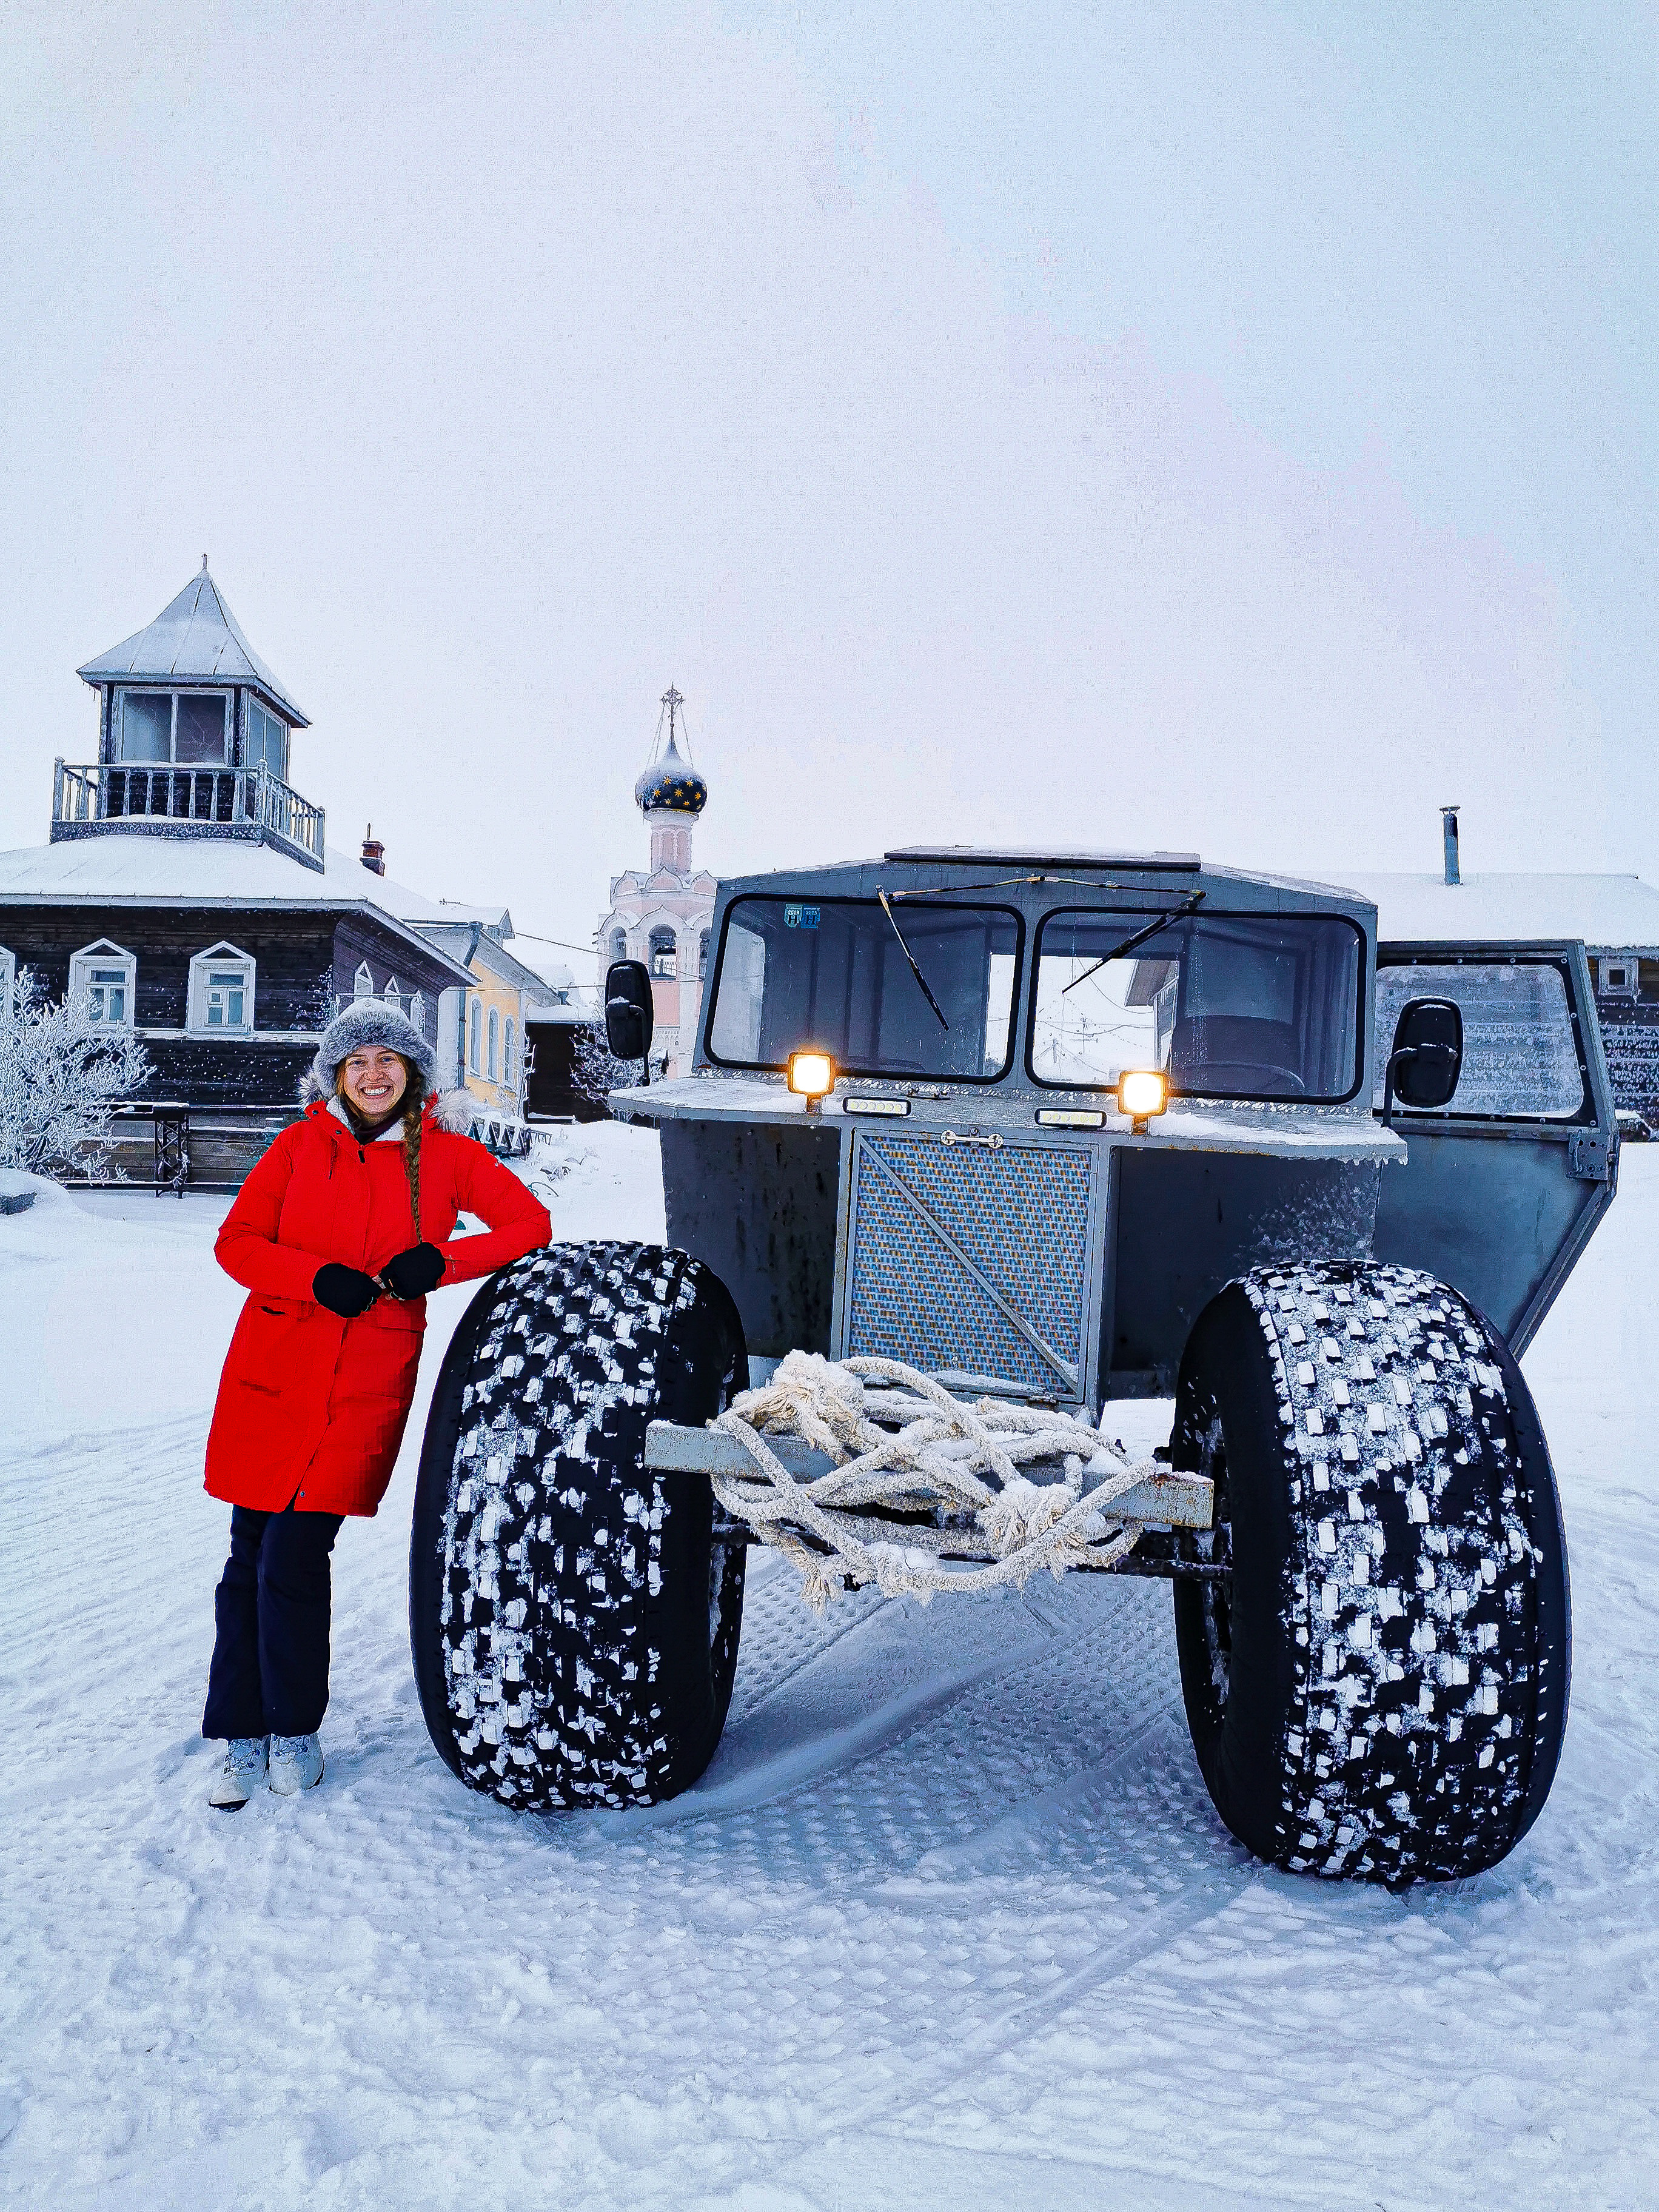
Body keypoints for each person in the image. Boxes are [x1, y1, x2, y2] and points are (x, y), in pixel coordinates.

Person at [199, 1001, 552, 1808]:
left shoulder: (449, 1158)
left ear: (412, 1073)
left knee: (293, 1556)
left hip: (363, 1384)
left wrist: (441, 1260)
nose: (373, 1072)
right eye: (357, 1060)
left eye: (388, 1059)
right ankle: (240, 1737)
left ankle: (294, 1729)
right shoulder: (297, 1147)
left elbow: (530, 1226)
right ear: (336, 1074)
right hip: (273, 1374)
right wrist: (313, 1276)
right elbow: (236, 1242)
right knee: (247, 1555)